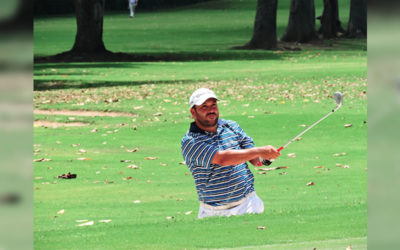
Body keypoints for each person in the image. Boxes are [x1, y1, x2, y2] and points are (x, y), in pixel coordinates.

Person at [181, 88, 281, 219]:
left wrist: (266, 158)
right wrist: (260, 150)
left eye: (213, 105)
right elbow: (222, 158)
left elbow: (255, 160)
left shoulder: (231, 126)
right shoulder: (190, 141)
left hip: (248, 204)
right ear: (193, 112)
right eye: (204, 106)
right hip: (213, 212)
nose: (211, 110)